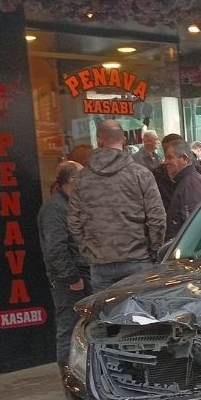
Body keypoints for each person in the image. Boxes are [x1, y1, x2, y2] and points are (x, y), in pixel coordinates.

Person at [68, 120, 166, 292]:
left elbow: (74, 221)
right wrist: (153, 252)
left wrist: (90, 253)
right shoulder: (141, 174)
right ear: (124, 139)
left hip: (100, 263)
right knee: (141, 316)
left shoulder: (82, 178)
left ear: (99, 139)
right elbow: (157, 217)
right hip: (138, 260)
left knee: (106, 316)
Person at [40, 161, 87, 369]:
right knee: (68, 328)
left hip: (79, 274)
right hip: (68, 281)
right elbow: (55, 249)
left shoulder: (71, 204)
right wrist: (72, 278)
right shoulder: (54, 209)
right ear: (72, 180)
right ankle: (68, 373)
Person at [164, 139, 201, 240]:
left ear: (184, 159)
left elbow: (195, 228)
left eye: (170, 158)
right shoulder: (186, 182)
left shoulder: (190, 184)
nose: (165, 162)